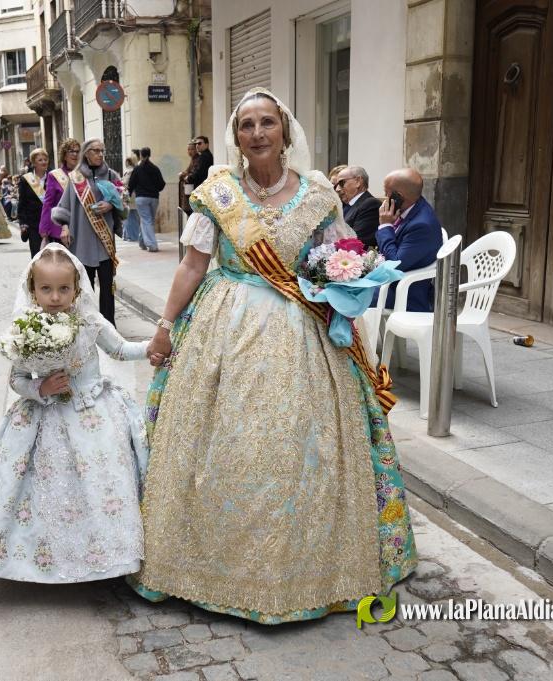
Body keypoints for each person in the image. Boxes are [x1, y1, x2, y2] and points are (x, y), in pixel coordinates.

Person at [132, 87, 417, 624]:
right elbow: (193, 266)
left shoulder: (316, 193)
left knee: (299, 440)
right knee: (224, 438)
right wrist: (165, 326)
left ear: (285, 132)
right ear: (236, 137)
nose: (258, 133)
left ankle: (314, 569)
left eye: (267, 123)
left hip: (302, 330)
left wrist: (348, 297)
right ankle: (203, 568)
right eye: (247, 125)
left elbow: (340, 258)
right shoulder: (219, 194)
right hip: (225, 326)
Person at [0, 243, 149, 582]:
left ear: (76, 288)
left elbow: (121, 349)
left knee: (104, 481)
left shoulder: (90, 322)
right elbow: (17, 377)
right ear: (33, 290)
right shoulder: (28, 329)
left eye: (64, 288)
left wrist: (152, 347)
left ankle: (109, 553)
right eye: (46, 289)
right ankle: (47, 557)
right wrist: (40, 389)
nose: (55, 297)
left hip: (91, 409)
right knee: (46, 489)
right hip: (47, 414)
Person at [51, 139, 125, 326]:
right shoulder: (76, 177)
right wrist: (65, 226)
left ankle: (109, 325)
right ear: (86, 153)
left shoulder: (111, 175)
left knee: (107, 286)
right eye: (95, 151)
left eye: (102, 150)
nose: (100, 154)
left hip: (104, 239)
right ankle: (88, 323)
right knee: (86, 285)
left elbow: (123, 202)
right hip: (82, 239)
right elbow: (64, 206)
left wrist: (111, 204)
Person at [375, 168, 443, 312]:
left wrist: (385, 226)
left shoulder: (422, 225)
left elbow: (395, 263)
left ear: (397, 196)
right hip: (390, 283)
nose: (384, 196)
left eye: (386, 192)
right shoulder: (410, 208)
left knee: (346, 297)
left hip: (405, 294)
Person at [39, 138, 80, 245]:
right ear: (64, 155)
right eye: (71, 151)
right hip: (60, 228)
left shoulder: (85, 174)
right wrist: (44, 229)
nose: (75, 154)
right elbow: (48, 203)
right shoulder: (55, 175)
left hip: (81, 227)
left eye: (77, 151)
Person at [126, 146, 165, 252]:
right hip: (154, 198)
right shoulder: (155, 168)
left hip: (141, 198)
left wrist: (128, 195)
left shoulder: (138, 169)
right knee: (149, 221)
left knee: (146, 220)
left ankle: (152, 244)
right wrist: (155, 189)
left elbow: (131, 184)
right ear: (149, 154)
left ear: (141, 155)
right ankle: (142, 242)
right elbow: (162, 184)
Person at [338, 166, 381, 248]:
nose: (337, 189)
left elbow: (357, 242)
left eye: (341, 183)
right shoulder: (347, 205)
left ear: (358, 181)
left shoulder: (370, 204)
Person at [17, 149, 49, 257]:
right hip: (34, 224)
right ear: (34, 163)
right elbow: (22, 203)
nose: (44, 162)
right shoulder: (26, 179)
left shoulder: (53, 177)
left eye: (45, 159)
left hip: (51, 223)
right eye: (40, 160)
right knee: (37, 256)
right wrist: (23, 223)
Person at [120, 156, 141, 243]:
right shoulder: (132, 171)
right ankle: (128, 235)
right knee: (131, 216)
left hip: (130, 196)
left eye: (127, 161)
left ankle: (131, 236)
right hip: (131, 196)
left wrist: (120, 183)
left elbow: (125, 182)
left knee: (129, 216)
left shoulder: (130, 171)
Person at [177, 140, 198, 215]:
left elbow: (192, 173)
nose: (190, 151)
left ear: (196, 149)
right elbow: (187, 171)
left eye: (192, 149)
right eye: (188, 149)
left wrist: (183, 175)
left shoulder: (197, 159)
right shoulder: (192, 159)